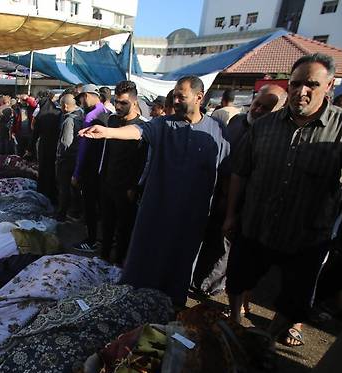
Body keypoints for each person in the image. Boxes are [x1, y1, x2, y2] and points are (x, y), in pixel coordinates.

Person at [223, 53, 342, 347]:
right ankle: (235, 324)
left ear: (329, 85)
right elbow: (241, 173)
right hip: (256, 225)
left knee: (295, 296)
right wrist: (231, 215)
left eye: (311, 84)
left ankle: (268, 339)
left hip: (307, 235)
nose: (301, 92)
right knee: (238, 278)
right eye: (295, 84)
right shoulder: (263, 126)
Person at [81, 75, 230, 306]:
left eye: (182, 96)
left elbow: (225, 169)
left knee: (180, 266)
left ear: (199, 97)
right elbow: (138, 131)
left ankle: (172, 308)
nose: (176, 99)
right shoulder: (164, 124)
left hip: (192, 217)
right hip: (157, 211)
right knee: (144, 261)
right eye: (175, 94)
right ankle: (134, 304)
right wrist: (108, 132)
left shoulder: (216, 131)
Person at [191, 84, 288, 299]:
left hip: (247, 201)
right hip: (219, 194)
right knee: (210, 238)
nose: (259, 110)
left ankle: (210, 287)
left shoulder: (277, 134)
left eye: (266, 108)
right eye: (257, 104)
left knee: (228, 247)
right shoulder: (236, 121)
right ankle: (198, 279)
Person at [98, 80, 148, 265]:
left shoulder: (143, 127)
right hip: (108, 182)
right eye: (117, 102)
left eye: (123, 103)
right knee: (106, 224)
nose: (118, 106)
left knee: (124, 228)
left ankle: (119, 263)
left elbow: (143, 161)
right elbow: (107, 152)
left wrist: (134, 186)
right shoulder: (111, 120)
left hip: (127, 188)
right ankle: (102, 259)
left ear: (134, 102)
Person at [72, 84, 110, 252]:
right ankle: (103, 239)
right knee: (102, 206)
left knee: (90, 206)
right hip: (104, 168)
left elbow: (83, 149)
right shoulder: (107, 112)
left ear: (86, 96)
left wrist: (77, 172)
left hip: (91, 169)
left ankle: (92, 240)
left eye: (80, 98)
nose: (80, 101)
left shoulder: (90, 117)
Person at [55, 93, 84, 222]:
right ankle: (75, 212)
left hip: (67, 160)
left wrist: (59, 156)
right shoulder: (81, 116)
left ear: (65, 106)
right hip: (77, 158)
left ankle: (63, 214)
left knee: (64, 188)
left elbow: (66, 143)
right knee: (74, 188)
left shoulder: (68, 120)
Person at [31, 91, 62, 204]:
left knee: (44, 169)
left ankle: (44, 192)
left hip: (44, 145)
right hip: (55, 146)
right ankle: (53, 194)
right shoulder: (58, 113)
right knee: (52, 170)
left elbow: (35, 134)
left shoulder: (41, 114)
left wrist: (30, 148)